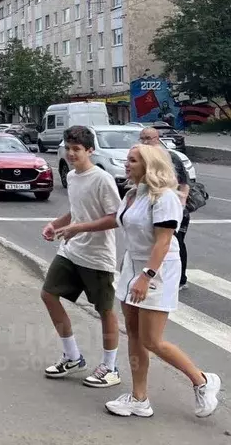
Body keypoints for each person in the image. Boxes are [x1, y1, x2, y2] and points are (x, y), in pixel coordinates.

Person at [104, 144, 220, 418]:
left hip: (157, 271)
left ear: (149, 165)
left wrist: (147, 276)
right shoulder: (133, 194)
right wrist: (75, 227)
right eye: (127, 159)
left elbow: (164, 241)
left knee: (152, 340)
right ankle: (139, 398)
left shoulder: (164, 197)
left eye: (132, 160)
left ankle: (203, 380)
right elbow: (118, 223)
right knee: (133, 335)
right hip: (132, 268)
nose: (126, 164)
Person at [41, 126, 123, 388]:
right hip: (71, 251)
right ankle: (72, 356)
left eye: (77, 149)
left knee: (105, 311)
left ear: (90, 150)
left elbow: (115, 218)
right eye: (68, 148)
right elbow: (76, 211)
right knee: (48, 294)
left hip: (97, 256)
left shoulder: (102, 179)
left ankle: (110, 367)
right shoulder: (73, 177)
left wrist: (78, 228)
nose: (71, 153)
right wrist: (56, 224)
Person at [138, 127, 191, 289]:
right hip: (152, 206)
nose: (146, 141)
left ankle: (180, 279)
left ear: (157, 138)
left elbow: (184, 183)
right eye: (142, 138)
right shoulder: (142, 157)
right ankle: (157, 273)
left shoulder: (170, 157)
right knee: (154, 241)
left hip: (173, 208)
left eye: (149, 138)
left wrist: (181, 204)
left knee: (175, 242)